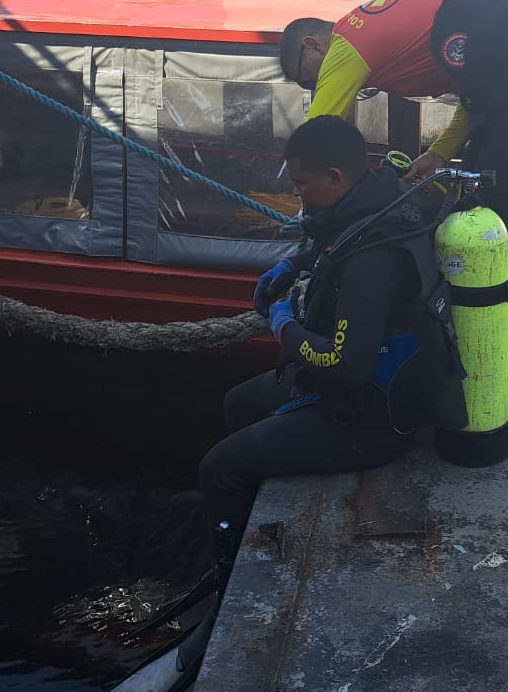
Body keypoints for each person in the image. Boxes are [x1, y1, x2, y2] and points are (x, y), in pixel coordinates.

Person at [278, 0, 508, 400]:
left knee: (483, 222)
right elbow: (475, 95)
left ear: (314, 45)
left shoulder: (344, 48)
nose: (316, 86)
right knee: (468, 207)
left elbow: (317, 145)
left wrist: (306, 233)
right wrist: (440, 156)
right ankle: (483, 346)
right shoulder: (393, 33)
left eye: (308, 78)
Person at [196, 115, 464, 577]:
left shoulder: (373, 260)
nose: (297, 194)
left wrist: (281, 325)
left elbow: (344, 366)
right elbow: (333, 246)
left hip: (372, 418)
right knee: (237, 403)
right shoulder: (378, 202)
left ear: (334, 177)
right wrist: (292, 263)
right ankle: (242, 529)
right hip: (347, 387)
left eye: (301, 183)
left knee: (218, 469)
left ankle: (227, 582)